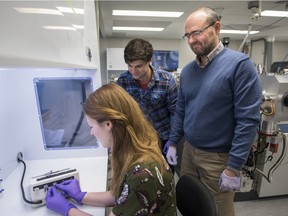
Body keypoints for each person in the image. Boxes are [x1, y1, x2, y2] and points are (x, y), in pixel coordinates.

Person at [165, 7, 262, 216]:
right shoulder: (189, 71)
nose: (191, 40)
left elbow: (247, 120)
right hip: (189, 152)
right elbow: (182, 109)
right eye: (188, 35)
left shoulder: (239, 66)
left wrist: (234, 167)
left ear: (216, 28)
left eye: (197, 33)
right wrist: (173, 143)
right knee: (191, 204)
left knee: (218, 210)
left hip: (218, 158)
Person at [45, 83, 177, 216]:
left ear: (108, 124)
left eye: (91, 126)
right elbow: (121, 196)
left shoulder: (143, 173)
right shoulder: (134, 149)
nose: (91, 133)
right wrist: (81, 196)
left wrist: (68, 210)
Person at [116, 38, 178, 172]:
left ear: (149, 61)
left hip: (163, 138)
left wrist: (173, 141)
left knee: (165, 178)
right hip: (138, 140)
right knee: (140, 179)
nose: (133, 71)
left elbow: (175, 113)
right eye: (129, 66)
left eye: (138, 66)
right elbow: (120, 112)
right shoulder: (123, 81)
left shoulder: (166, 80)